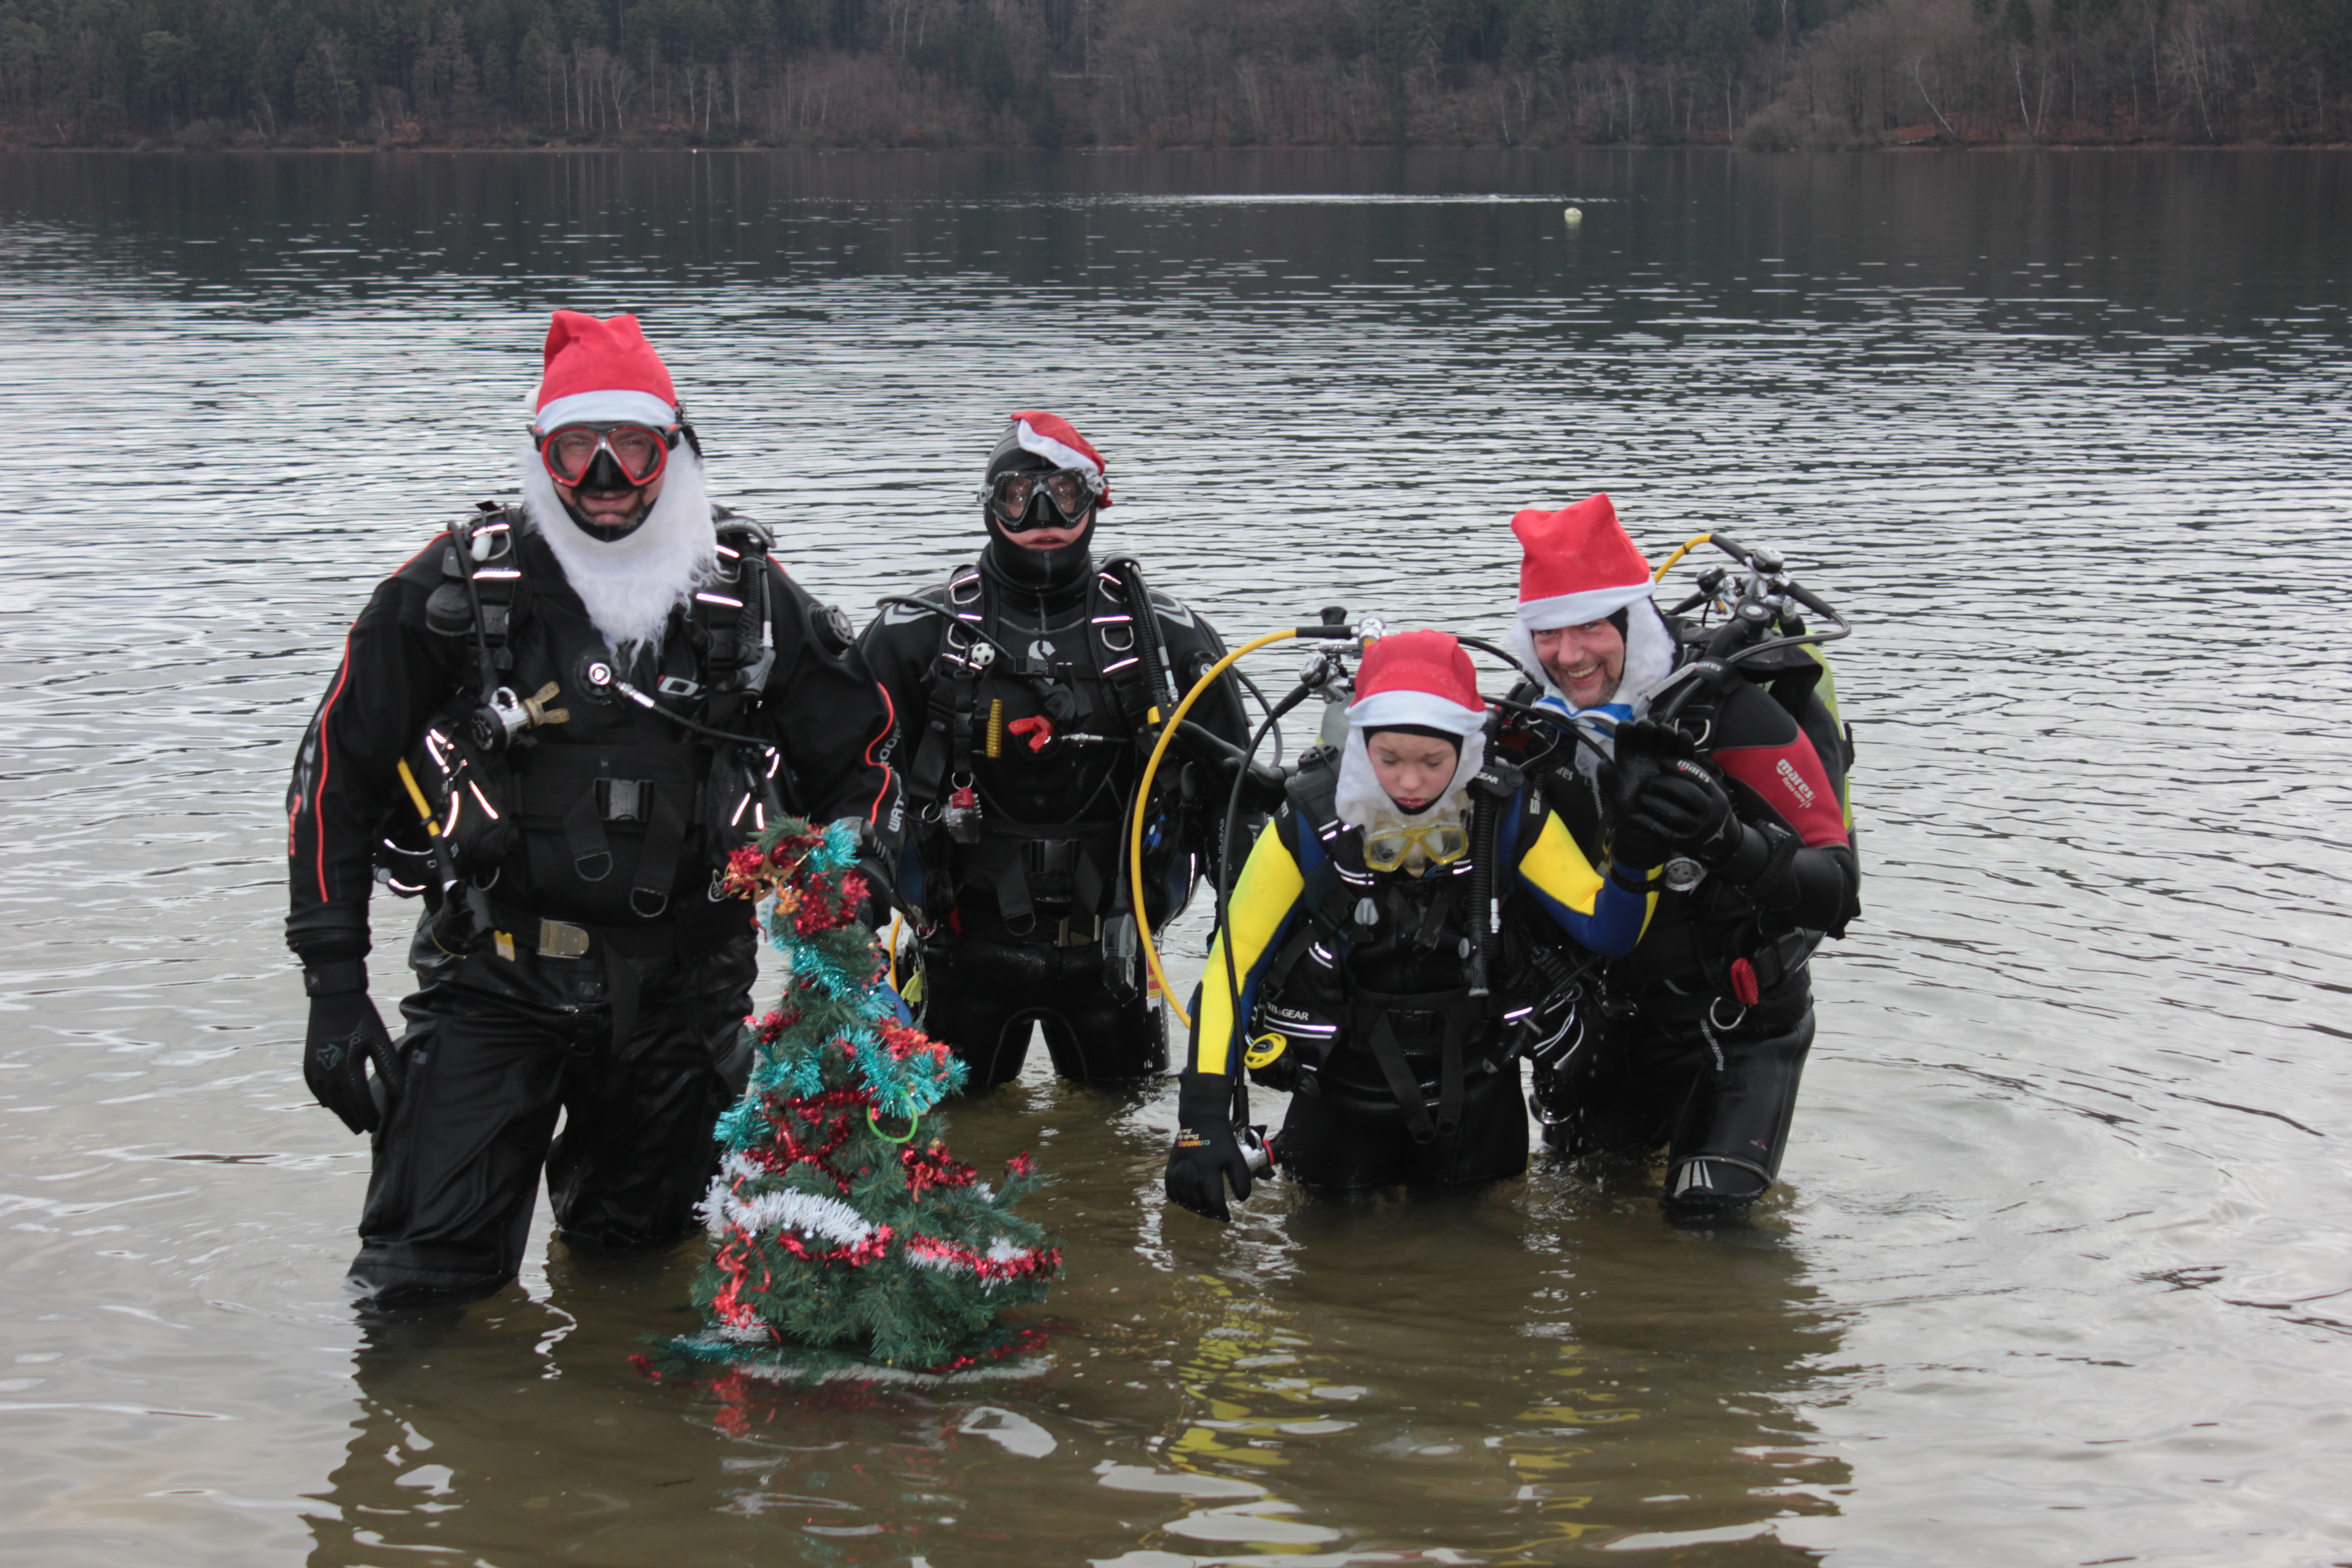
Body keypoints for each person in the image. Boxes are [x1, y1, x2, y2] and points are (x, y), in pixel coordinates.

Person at [284, 311, 899, 1310]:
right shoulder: (455, 591)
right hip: (496, 974)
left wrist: (856, 877)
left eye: (634, 449)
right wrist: (332, 983)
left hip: (683, 990)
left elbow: (863, 755)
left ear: (673, 450)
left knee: (636, 1275)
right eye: (578, 450)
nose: (606, 478)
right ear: (544, 455)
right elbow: (334, 773)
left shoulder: (745, 599)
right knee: (417, 1290)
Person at [1162, 630, 1650, 1217]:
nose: (1411, 783)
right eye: (1388, 760)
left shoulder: (1508, 809)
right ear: (1360, 743)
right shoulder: (1310, 824)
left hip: (1480, 1097)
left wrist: (1638, 850)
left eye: (1433, 762)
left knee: (1491, 1279)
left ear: (1468, 749)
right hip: (1340, 1100)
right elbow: (1229, 973)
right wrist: (1203, 1119)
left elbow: (1610, 932)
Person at [857, 412, 1256, 1091]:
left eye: (1066, 494)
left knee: (1123, 1143)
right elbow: (853, 787)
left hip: (1116, 953)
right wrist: (850, 935)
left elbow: (1232, 802)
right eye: (1018, 495)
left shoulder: (1165, 639)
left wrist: (1247, 939)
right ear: (991, 507)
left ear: (1095, 500)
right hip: (959, 946)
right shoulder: (917, 635)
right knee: (942, 1148)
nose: (1043, 512)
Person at [1502, 495, 1860, 1220]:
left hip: (1741, 1024)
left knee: (1708, 1229)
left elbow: (1839, 892)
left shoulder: (1727, 712)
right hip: (1613, 1023)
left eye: (1591, 627)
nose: (1569, 657)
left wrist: (1729, 842)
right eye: (1548, 634)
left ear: (1634, 619)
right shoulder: (1534, 727)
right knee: (1584, 1217)